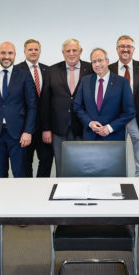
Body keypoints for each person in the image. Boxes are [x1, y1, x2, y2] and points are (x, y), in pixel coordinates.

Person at [0, 42, 37, 178]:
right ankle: (2, 199)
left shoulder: (24, 76)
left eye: (10, 53)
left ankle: (20, 200)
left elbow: (32, 106)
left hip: (19, 134)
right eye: (3, 53)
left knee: (20, 174)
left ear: (15, 55)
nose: (6, 56)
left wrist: (28, 131)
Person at [41, 38, 93, 176]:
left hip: (83, 127)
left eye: (74, 50)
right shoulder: (51, 70)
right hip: (58, 128)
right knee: (62, 168)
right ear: (63, 53)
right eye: (68, 51)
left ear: (80, 51)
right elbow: (45, 102)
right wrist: (46, 128)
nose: (71, 53)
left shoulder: (91, 69)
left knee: (82, 166)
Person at [109, 35, 139, 177]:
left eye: (128, 47)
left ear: (133, 49)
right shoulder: (109, 69)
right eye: (122, 46)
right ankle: (118, 182)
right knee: (116, 155)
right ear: (117, 49)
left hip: (137, 118)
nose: (125, 49)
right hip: (116, 120)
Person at [74, 48, 135, 140]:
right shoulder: (85, 81)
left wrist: (110, 127)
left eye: (100, 60)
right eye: (94, 61)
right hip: (90, 136)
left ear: (107, 61)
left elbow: (130, 112)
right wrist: (90, 123)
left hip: (113, 137)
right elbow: (77, 107)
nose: (97, 64)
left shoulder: (122, 82)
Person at [16, 39, 54, 177]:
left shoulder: (48, 70)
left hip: (44, 127)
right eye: (30, 49)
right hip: (24, 128)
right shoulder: (16, 70)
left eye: (36, 49)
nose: (33, 52)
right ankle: (28, 192)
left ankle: (41, 189)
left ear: (40, 51)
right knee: (25, 162)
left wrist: (47, 127)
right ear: (24, 51)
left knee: (46, 159)